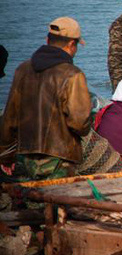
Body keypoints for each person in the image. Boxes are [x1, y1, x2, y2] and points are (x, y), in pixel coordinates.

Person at [0, 18, 92, 181]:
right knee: (59, 201)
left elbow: (9, 118)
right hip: (61, 156)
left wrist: (6, 155)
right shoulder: (73, 75)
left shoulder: (22, 69)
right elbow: (80, 122)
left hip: (26, 154)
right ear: (71, 44)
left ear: (47, 40)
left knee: (36, 200)